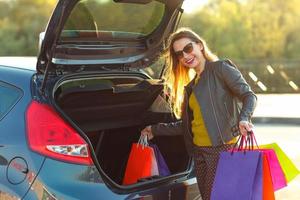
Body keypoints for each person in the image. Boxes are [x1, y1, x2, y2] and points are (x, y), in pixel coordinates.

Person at [141, 27, 257, 200]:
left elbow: (249, 95)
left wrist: (244, 119)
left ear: (199, 46)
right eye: (180, 54)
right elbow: (187, 126)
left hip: (222, 149)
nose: (186, 56)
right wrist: (154, 129)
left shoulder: (220, 68)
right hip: (199, 153)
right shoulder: (191, 86)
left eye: (188, 49)